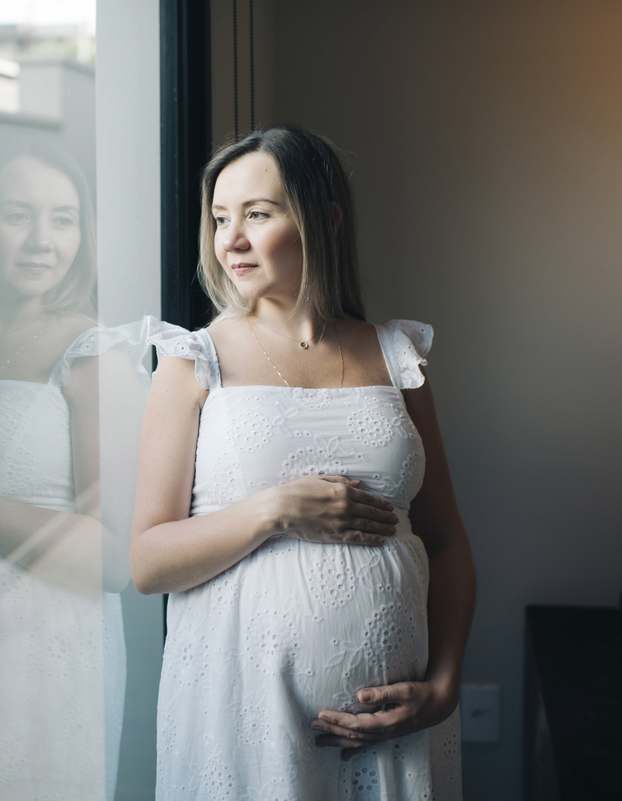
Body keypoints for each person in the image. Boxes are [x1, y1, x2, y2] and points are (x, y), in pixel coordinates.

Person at [132, 125, 476, 800]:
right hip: (241, 719)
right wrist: (276, 510)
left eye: (257, 215)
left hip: (394, 728)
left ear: (325, 219)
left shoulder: (397, 355)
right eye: (220, 218)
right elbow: (148, 561)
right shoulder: (191, 361)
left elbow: (446, 541)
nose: (229, 239)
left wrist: (443, 683)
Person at [0, 137, 145, 801]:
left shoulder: (95, 353)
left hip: (38, 655)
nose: (40, 241)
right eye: (16, 215)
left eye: (62, 220)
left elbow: (118, 558)